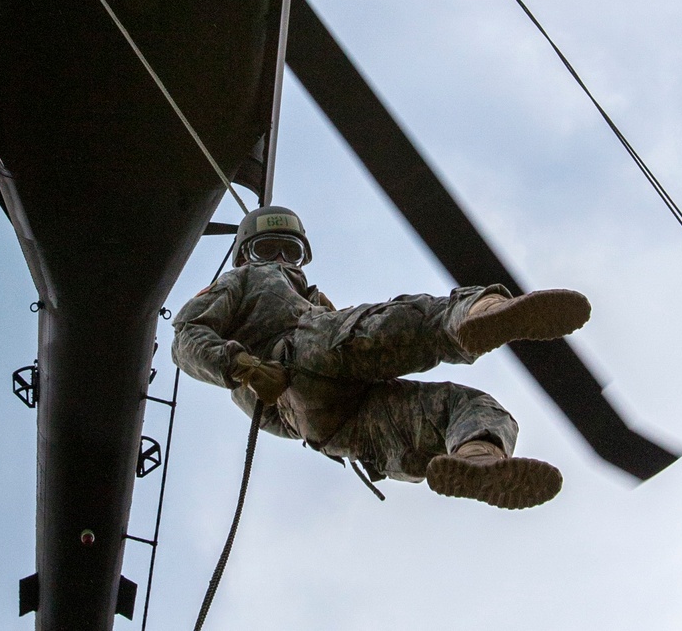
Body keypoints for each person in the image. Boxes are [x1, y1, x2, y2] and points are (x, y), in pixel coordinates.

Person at [172, 205, 591, 509]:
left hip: (339, 426)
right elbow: (186, 338)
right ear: (245, 254)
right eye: (269, 249)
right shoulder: (245, 280)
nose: (282, 261)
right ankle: (479, 313)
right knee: (406, 320)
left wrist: (283, 406)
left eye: (291, 252)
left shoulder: (317, 302)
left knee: (469, 405)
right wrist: (243, 368)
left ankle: (478, 460)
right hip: (300, 362)